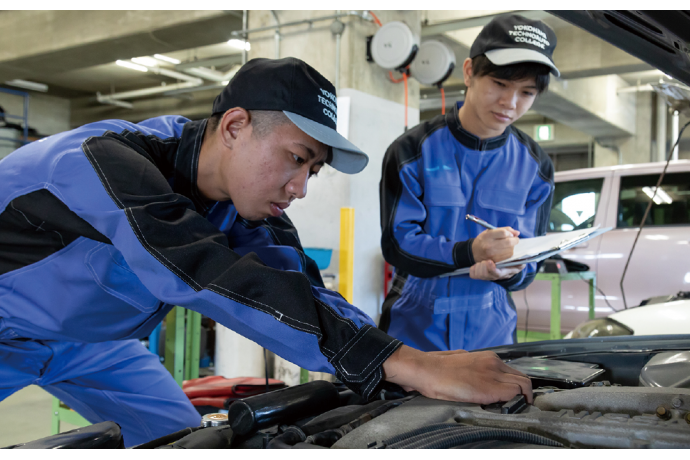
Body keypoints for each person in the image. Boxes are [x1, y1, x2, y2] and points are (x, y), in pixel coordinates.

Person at [0, 57, 531, 447]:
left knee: (185, 442)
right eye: (295, 158)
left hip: (96, 346)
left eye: (313, 171)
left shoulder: (245, 207)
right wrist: (400, 362)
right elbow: (196, 267)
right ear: (234, 126)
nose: (300, 187)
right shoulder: (101, 159)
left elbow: (302, 289)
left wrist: (400, 359)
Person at [379, 14, 557, 352]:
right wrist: (469, 252)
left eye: (526, 92)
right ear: (469, 72)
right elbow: (398, 244)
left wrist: (511, 271)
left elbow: (531, 259)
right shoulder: (413, 151)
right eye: (500, 85)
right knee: (409, 407)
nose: (511, 103)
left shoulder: (536, 167)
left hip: (492, 334)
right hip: (415, 329)